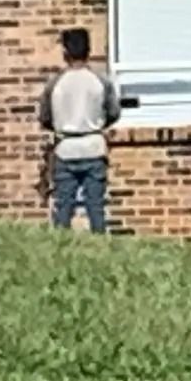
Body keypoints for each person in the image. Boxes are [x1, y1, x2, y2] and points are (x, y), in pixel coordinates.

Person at [38, 27, 121, 233]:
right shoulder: (101, 82)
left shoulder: (55, 84)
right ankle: (100, 244)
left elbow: (45, 118)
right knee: (96, 206)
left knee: (63, 206)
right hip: (94, 146)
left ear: (65, 52)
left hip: (65, 148)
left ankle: (61, 246)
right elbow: (113, 112)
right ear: (89, 51)